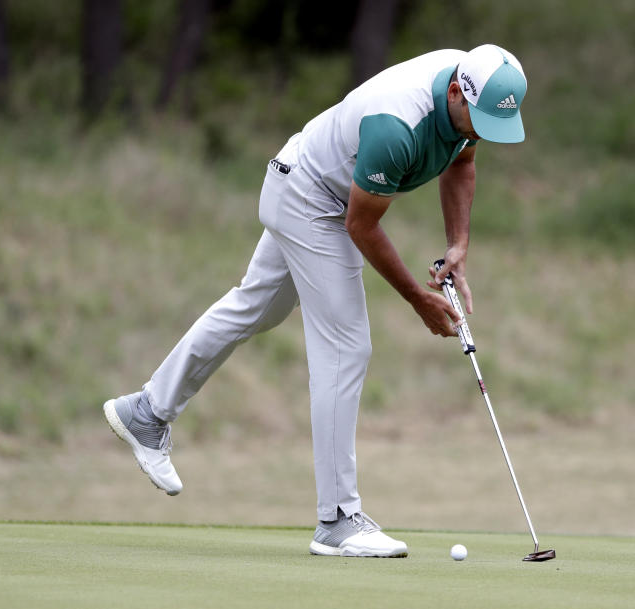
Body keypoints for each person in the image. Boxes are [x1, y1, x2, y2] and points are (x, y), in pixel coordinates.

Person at [103, 44, 528, 558]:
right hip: (313, 199)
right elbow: (360, 224)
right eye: (477, 120)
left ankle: (147, 411)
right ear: (457, 92)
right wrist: (417, 299)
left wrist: (458, 245)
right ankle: (338, 519)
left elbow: (463, 163)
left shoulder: (470, 98)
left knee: (255, 307)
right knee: (347, 347)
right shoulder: (397, 125)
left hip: (308, 179)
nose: (479, 132)